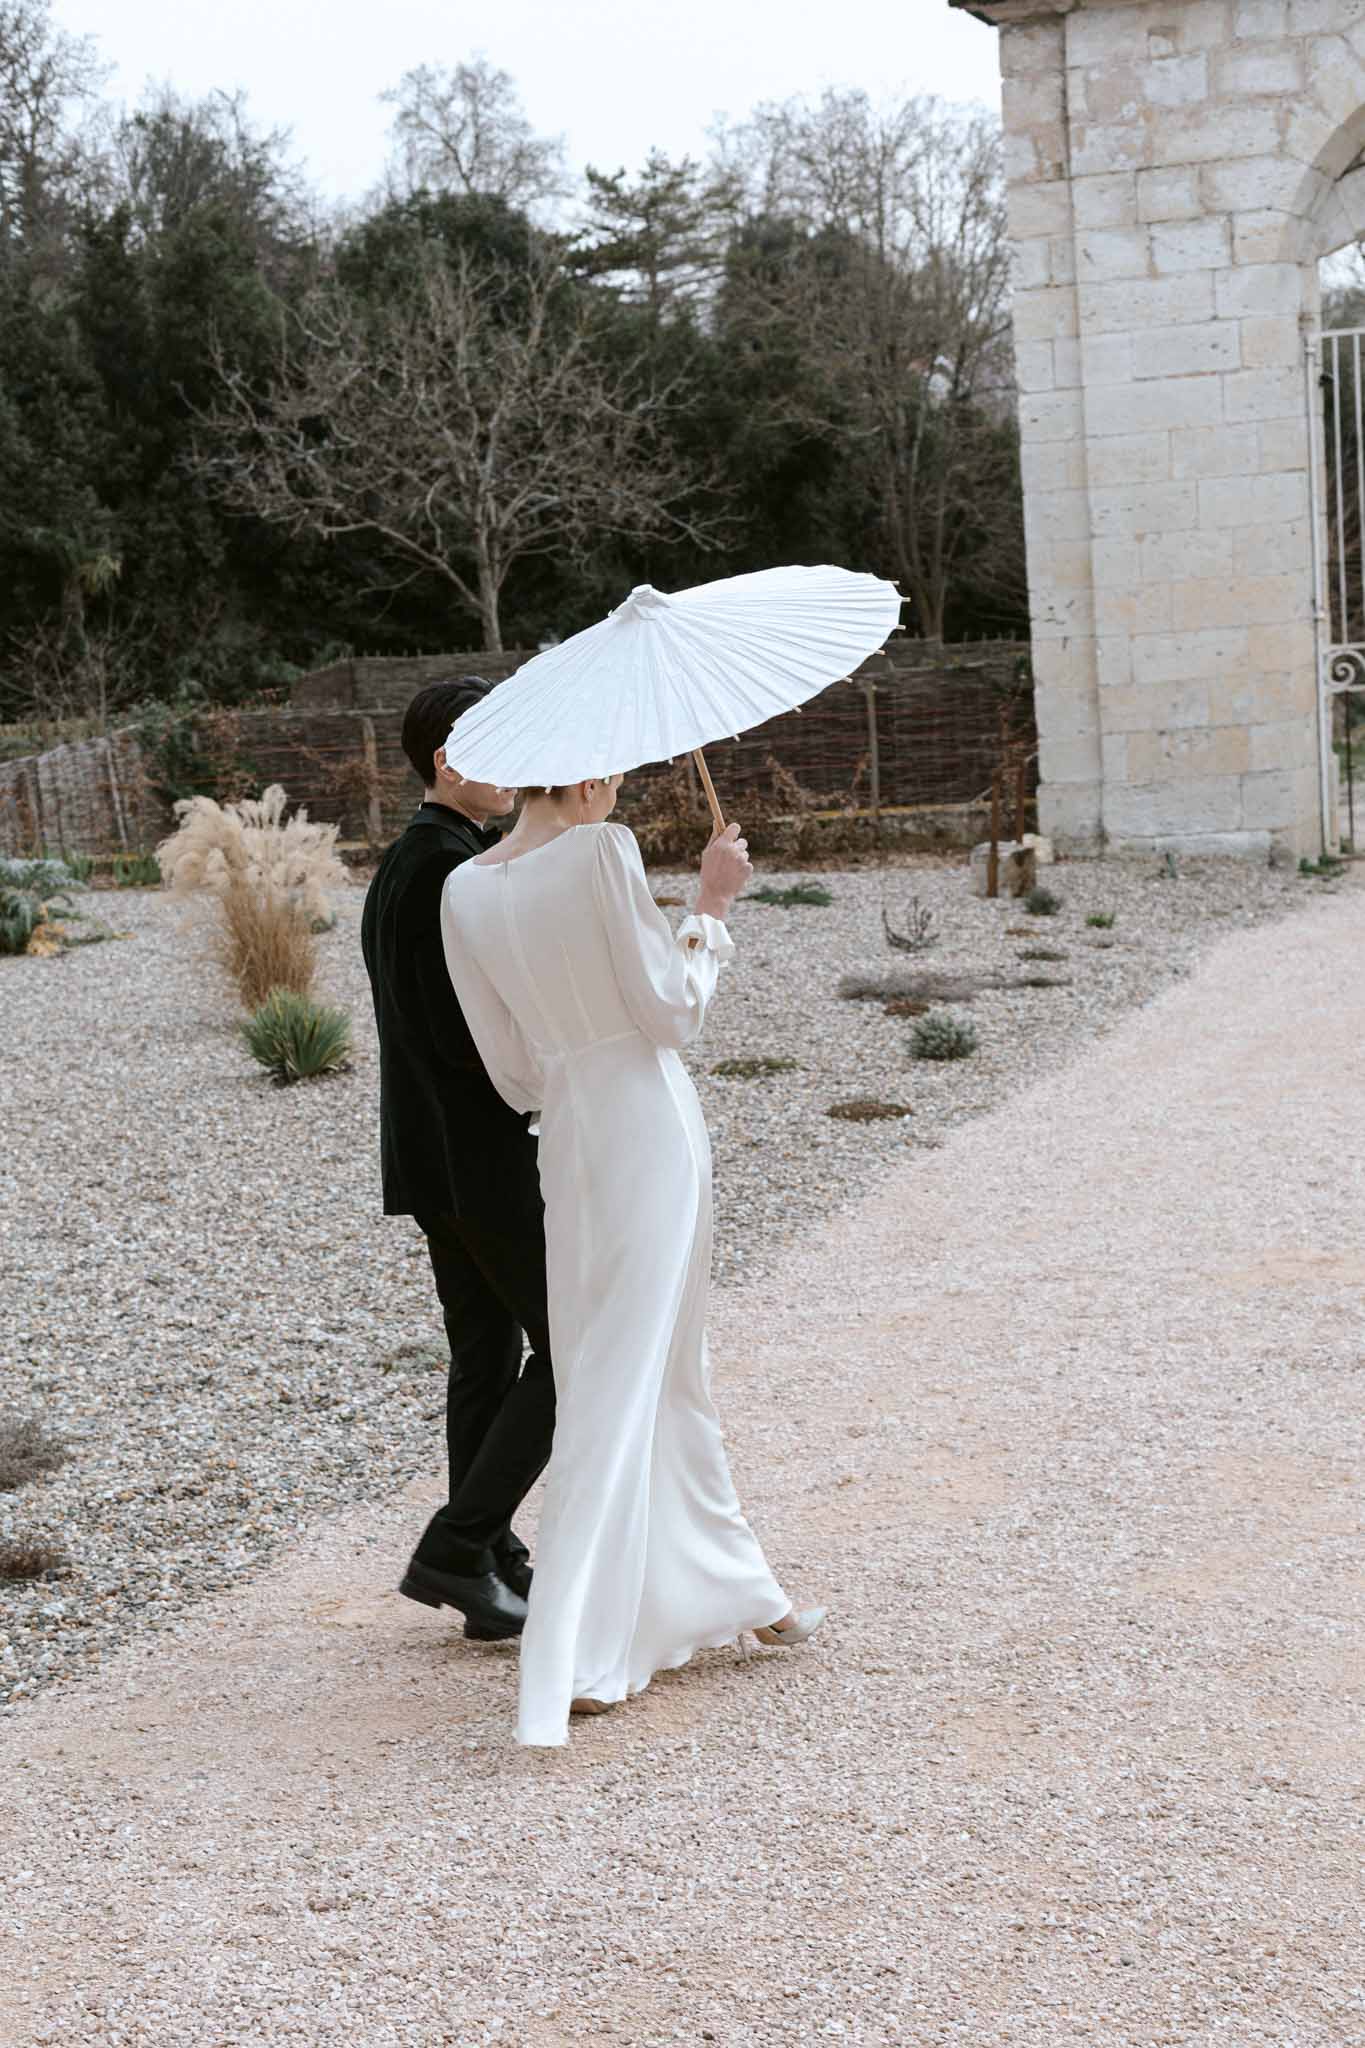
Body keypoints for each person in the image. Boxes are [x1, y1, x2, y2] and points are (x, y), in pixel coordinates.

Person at [442, 773, 826, 1747]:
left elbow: (510, 1068)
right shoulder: (602, 852)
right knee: (627, 1381)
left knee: (646, 1372)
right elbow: (671, 1012)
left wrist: (576, 1053)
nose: (619, 784)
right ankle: (577, 1655)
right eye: (612, 769)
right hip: (651, 1126)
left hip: (569, 1141)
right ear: (582, 775)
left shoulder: (464, 889)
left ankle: (743, 1588)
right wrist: (711, 902)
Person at [360, 678, 556, 1643]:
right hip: (475, 1155)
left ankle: (490, 1560)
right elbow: (459, 1037)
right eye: (500, 751)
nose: (515, 774)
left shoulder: (422, 858)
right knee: (573, 1354)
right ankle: (456, 1543)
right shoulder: (444, 872)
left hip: (433, 1157)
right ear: (450, 762)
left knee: (486, 1358)